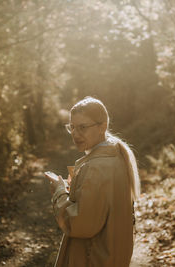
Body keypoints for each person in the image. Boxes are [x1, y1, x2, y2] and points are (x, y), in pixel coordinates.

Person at [46, 96, 140, 267]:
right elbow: (98, 208)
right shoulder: (116, 157)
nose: (75, 134)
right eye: (72, 127)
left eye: (82, 127)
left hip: (91, 259)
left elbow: (80, 223)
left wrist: (60, 192)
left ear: (102, 127)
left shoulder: (96, 168)